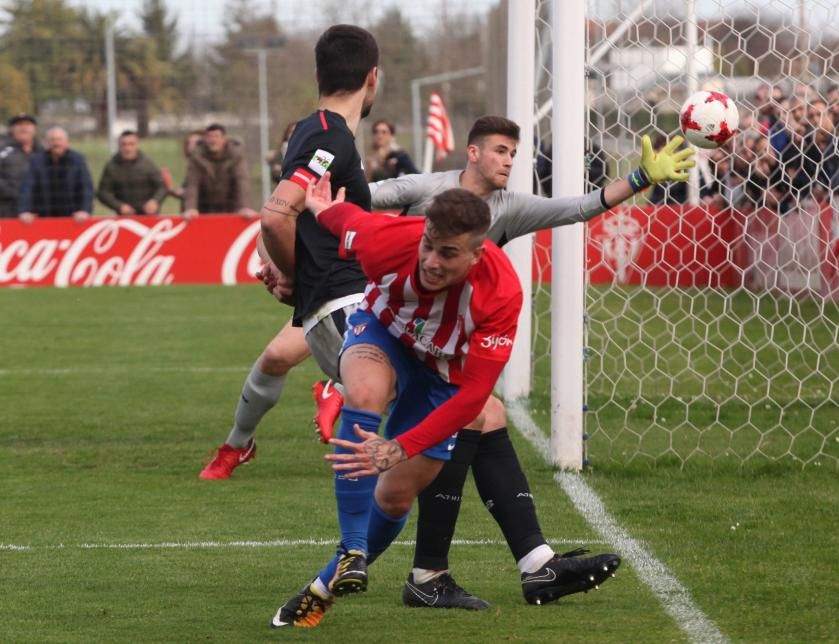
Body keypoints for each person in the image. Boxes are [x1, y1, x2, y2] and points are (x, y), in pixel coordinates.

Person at [271, 181, 621, 629]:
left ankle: (320, 589)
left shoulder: (502, 294)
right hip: (382, 333)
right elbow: (348, 222)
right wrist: (320, 207)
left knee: (396, 498)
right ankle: (354, 550)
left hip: (441, 374)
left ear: (479, 254)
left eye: (449, 254)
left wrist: (400, 448)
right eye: (429, 246)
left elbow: (474, 396)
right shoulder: (389, 242)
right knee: (363, 394)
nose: (433, 262)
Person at [199, 23, 381, 481]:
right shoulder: (330, 138)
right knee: (453, 412)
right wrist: (293, 274)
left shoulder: (315, 131)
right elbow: (276, 215)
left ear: (318, 74)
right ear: (373, 78)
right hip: (343, 302)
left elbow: (283, 214)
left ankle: (333, 393)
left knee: (443, 413)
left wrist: (281, 266)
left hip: (341, 301)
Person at [18, 127, 92, 224]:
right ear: (47, 143)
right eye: (52, 140)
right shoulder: (36, 161)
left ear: (67, 142)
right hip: (43, 217)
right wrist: (24, 211)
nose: (56, 143)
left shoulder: (77, 160)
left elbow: (86, 187)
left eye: (59, 139)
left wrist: (85, 210)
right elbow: (27, 188)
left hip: (72, 218)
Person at [182, 123, 256, 220]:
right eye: (209, 137)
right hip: (203, 209)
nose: (213, 140)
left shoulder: (236, 156)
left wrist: (245, 207)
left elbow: (242, 181)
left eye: (216, 136)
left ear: (224, 139)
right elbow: (192, 184)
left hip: (230, 208)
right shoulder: (196, 157)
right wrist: (191, 208)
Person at [96, 131, 168, 215]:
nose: (128, 148)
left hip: (148, 216)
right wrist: (119, 206)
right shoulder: (111, 166)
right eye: (124, 144)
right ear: (119, 146)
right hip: (124, 217)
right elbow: (103, 192)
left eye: (131, 144)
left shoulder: (148, 164)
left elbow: (162, 187)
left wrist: (155, 201)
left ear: (137, 145)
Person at [0, 113, 39, 218]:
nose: (23, 128)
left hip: (37, 210)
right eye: (19, 124)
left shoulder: (43, 152)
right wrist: (15, 193)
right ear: (12, 129)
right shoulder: (3, 151)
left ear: (34, 129)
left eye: (27, 124)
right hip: (6, 210)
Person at [267, 122, 297, 187]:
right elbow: (275, 174)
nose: (294, 134)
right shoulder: (278, 154)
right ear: (287, 134)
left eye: (297, 131)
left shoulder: (306, 151)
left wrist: (282, 169)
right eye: (291, 131)